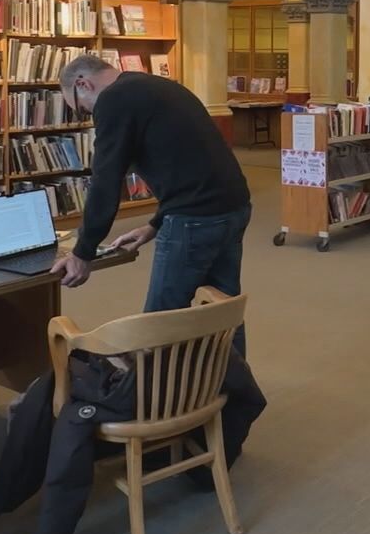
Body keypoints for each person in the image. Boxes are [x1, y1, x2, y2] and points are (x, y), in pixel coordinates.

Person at [48, 55, 253, 341]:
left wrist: (83, 251)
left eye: (82, 110)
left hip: (195, 220)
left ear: (83, 83)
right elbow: (190, 164)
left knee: (160, 322)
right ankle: (235, 384)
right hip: (233, 206)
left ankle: (154, 387)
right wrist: (156, 224)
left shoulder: (113, 100)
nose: (88, 116)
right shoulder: (156, 86)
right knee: (224, 310)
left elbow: (106, 180)